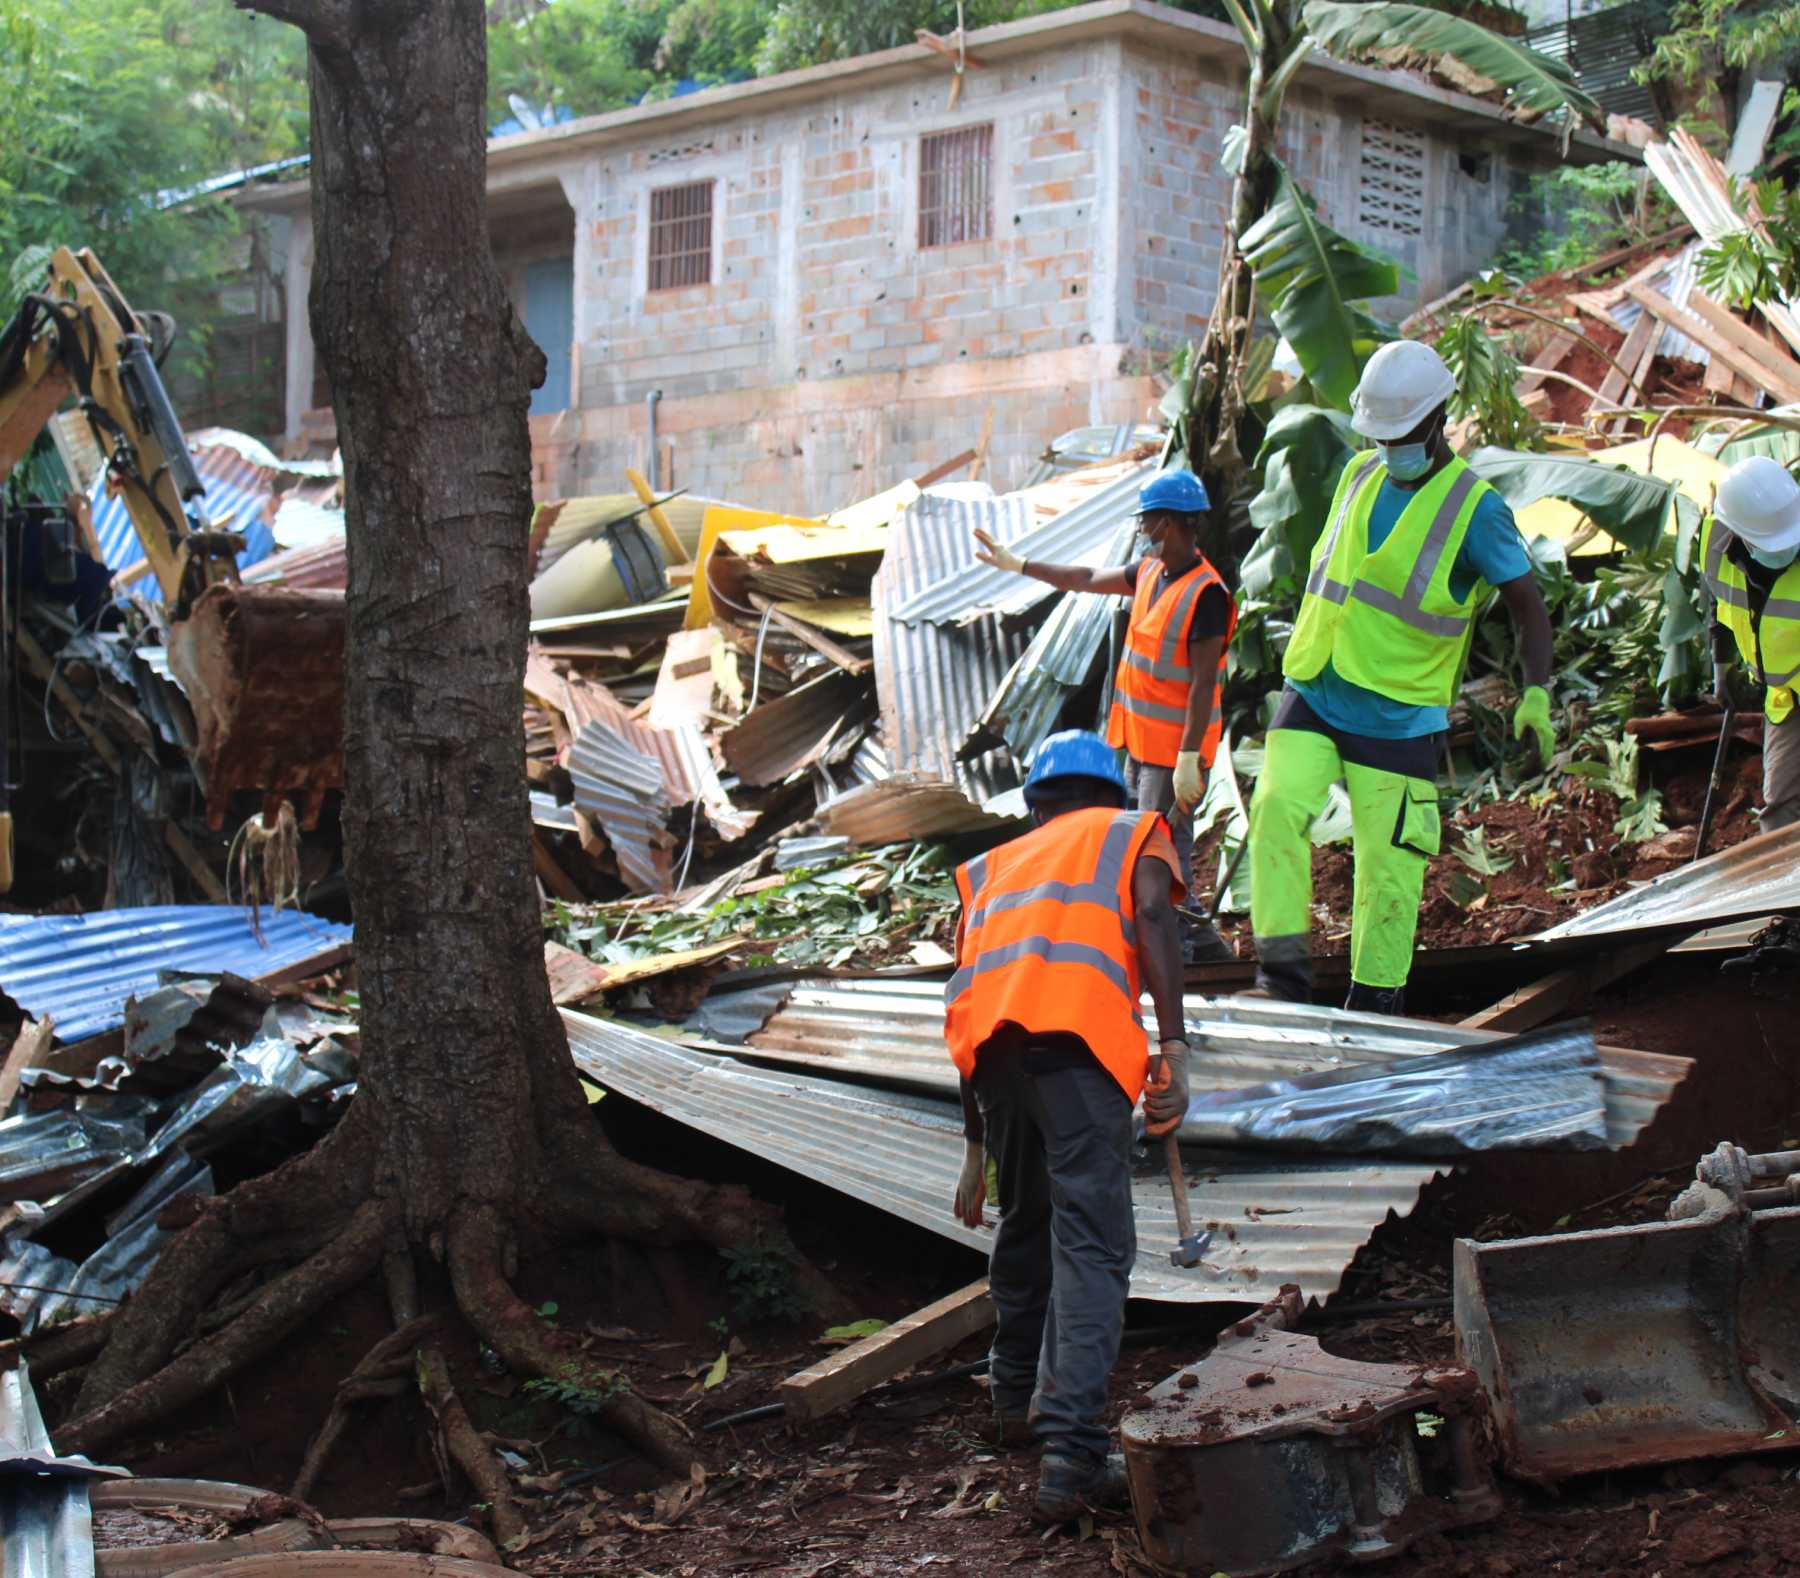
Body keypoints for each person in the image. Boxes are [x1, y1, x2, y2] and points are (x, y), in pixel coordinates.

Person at [1248, 339, 1553, 1015]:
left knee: (1389, 870)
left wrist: (1536, 693)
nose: (1389, 448)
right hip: (1318, 684)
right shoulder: (1359, 473)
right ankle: (1282, 983)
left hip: (1398, 712)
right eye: (1380, 435)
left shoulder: (1476, 511)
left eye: (1402, 434)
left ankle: (1374, 1005)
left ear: (1438, 419)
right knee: (1275, 809)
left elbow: (1528, 605)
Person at [944, 729, 1188, 1523]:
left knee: (1027, 1223)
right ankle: (1071, 1458)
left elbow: (968, 995)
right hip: (1080, 1057)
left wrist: (975, 1147)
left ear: (1035, 803)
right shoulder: (1133, 831)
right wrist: (1174, 1047)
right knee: (1092, 1246)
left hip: (996, 1065)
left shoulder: (988, 869)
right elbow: (1153, 914)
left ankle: (1014, 1402)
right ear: (1111, 794)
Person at [972, 470, 1236, 962]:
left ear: (1170, 522)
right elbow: (1086, 579)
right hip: (1138, 742)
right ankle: (1187, 942)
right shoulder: (1152, 572)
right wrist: (1019, 564)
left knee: (1162, 853)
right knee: (1147, 846)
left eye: (1148, 519)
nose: (1141, 527)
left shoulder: (1207, 595)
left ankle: (1188, 948)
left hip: (1171, 753)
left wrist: (1187, 759)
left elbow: (1204, 684)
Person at [1699, 454, 1800, 833]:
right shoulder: (1715, 545)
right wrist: (1721, 670)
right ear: (1739, 533)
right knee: (1781, 809)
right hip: (1786, 697)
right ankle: (1785, 891)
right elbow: (1718, 605)